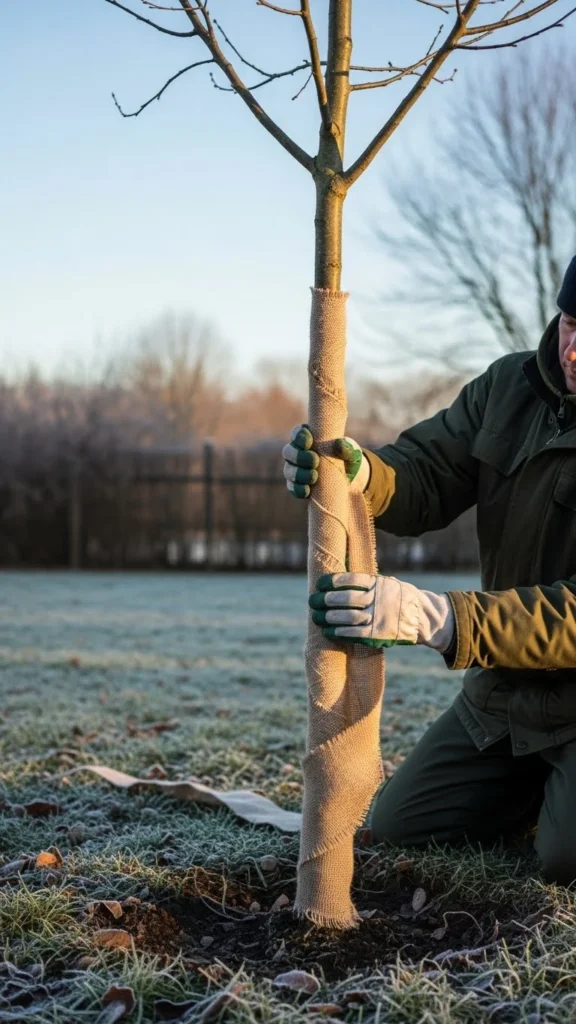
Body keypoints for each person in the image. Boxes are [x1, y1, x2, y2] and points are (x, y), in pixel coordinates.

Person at [282, 256, 576, 885]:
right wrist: (358, 474)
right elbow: (427, 472)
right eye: (572, 324)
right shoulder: (510, 387)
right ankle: (538, 794)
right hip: (506, 695)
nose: (573, 351)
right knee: (399, 826)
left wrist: (441, 619)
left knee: (564, 859)